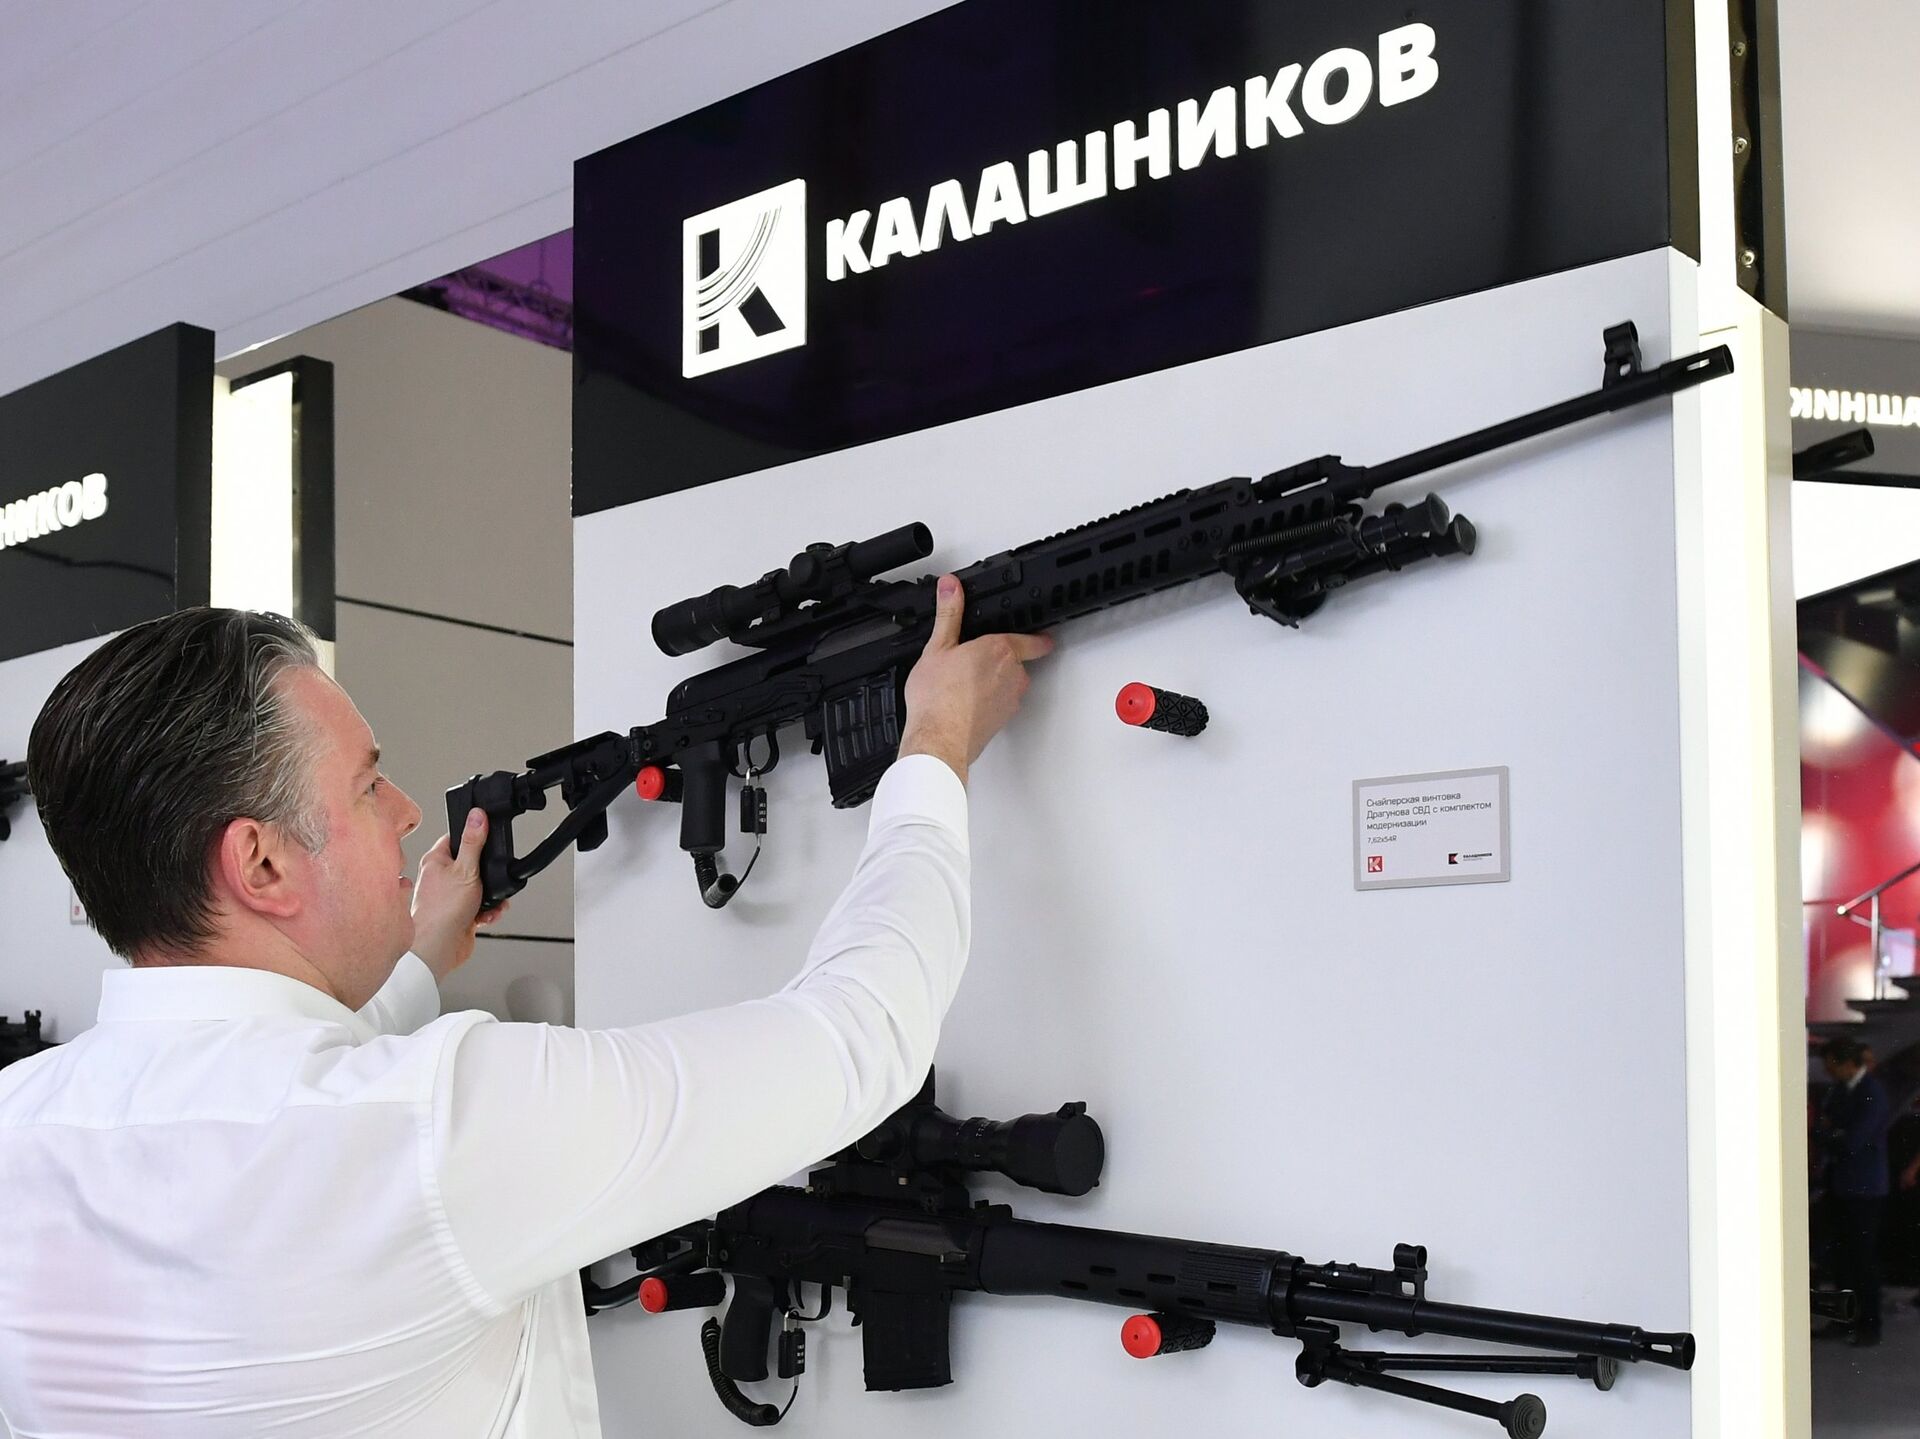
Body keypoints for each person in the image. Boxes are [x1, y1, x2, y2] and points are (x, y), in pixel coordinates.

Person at [0, 577, 1050, 1436]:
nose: (405, 811)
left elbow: (285, 1104)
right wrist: (935, 746)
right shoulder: (447, 1124)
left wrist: (420, 954)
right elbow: (859, 1039)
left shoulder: (20, 1125)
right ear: (262, 862)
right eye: (367, 785)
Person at [1815, 1036, 1894, 1345]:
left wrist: (1829, 1133)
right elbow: (1828, 1128)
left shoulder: (1872, 1093)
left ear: (1847, 1063)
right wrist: (1832, 1133)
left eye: (1831, 1064)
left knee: (1862, 1259)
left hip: (1865, 1190)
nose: (1828, 1070)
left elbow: (1851, 1140)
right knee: (1842, 1258)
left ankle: (1869, 1325)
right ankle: (1843, 1320)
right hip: (1842, 1184)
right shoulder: (1840, 1090)